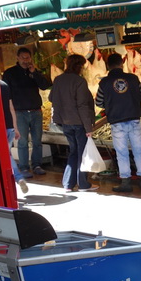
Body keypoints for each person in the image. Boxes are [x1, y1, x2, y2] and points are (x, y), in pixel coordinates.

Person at [96, 53, 141, 193]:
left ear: (108, 66)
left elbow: (98, 102)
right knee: (138, 150)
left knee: (121, 152)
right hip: (134, 120)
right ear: (121, 64)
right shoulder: (133, 78)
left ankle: (126, 182)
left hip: (117, 122)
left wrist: (112, 102)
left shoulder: (104, 83)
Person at [50, 54, 98, 192]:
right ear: (79, 67)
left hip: (65, 122)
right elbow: (82, 105)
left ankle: (68, 184)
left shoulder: (58, 80)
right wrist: (88, 127)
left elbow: (51, 97)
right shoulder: (79, 81)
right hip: (79, 123)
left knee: (74, 152)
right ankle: (83, 184)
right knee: (82, 153)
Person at [1, 47, 51, 177]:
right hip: (19, 112)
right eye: (22, 58)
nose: (25, 60)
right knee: (22, 141)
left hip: (36, 111)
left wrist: (34, 73)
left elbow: (45, 85)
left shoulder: (34, 72)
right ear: (17, 58)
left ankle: (37, 165)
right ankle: (23, 167)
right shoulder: (9, 73)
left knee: (37, 140)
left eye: (27, 58)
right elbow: (7, 95)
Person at [0, 80, 29, 194]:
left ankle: (17, 177)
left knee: (4, 156)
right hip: (9, 127)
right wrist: (15, 128)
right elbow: (11, 108)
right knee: (7, 155)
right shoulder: (4, 85)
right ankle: (18, 178)